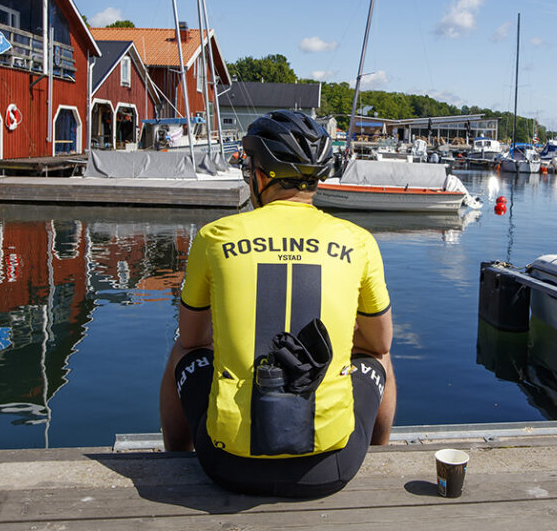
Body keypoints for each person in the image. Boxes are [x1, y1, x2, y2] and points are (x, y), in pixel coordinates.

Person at [159, 110, 395, 498]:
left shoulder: (215, 236)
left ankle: (175, 460)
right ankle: (379, 456)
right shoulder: (358, 240)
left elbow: (192, 336)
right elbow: (379, 343)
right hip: (332, 468)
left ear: (262, 175)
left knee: (182, 349)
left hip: (227, 465)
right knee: (380, 357)